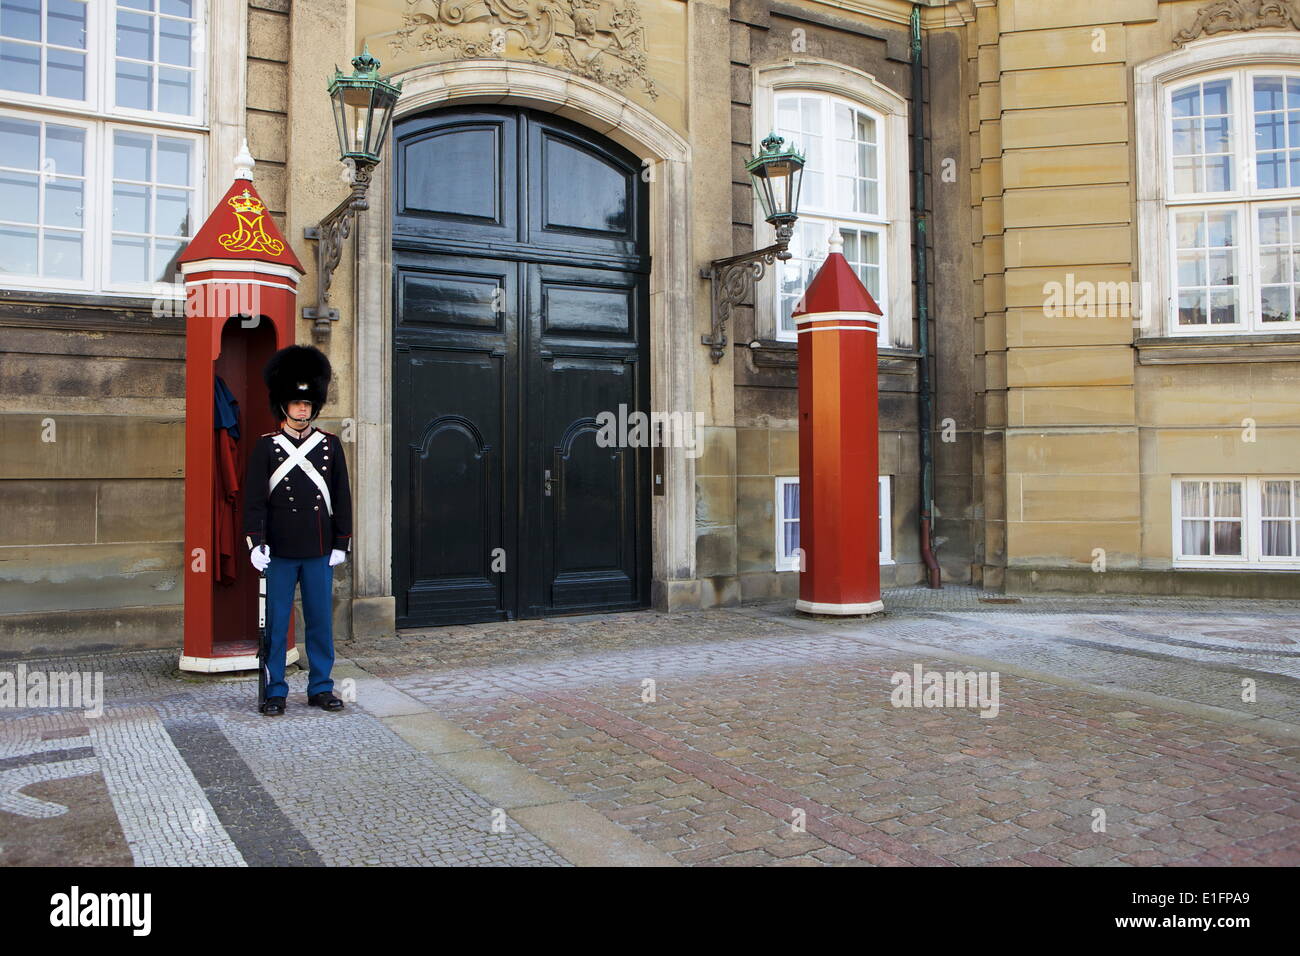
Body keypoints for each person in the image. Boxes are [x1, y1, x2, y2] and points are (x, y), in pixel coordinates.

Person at [243, 344, 352, 716]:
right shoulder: (266, 448)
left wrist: (342, 541)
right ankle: (276, 689)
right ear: (284, 406)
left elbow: (341, 496)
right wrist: (255, 543)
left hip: (319, 548)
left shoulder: (330, 446)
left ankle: (321, 687)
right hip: (281, 550)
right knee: (276, 624)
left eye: (307, 404)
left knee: (320, 621)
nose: (302, 409)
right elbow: (254, 500)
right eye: (296, 403)